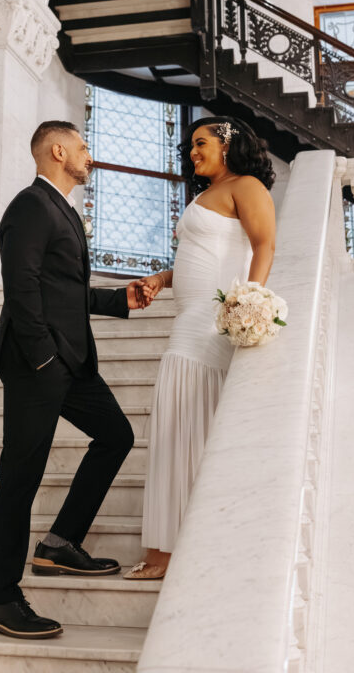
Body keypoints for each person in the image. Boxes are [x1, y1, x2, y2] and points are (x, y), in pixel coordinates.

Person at [0, 120, 154, 639]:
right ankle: (0, 600)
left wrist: (117, 298)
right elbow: (21, 286)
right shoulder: (30, 205)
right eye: (82, 146)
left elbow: (63, 290)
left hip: (70, 363)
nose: (88, 155)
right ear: (59, 151)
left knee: (116, 435)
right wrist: (42, 361)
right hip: (40, 364)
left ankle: (59, 544)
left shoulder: (62, 209)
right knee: (20, 480)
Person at [124, 117, 276, 580]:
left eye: (201, 143)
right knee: (174, 426)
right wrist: (161, 278)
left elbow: (264, 244)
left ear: (228, 144)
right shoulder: (206, 194)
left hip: (213, 326)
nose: (193, 151)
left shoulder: (246, 186)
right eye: (191, 145)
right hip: (188, 319)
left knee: (191, 426)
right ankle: (166, 550)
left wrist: (250, 301)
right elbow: (201, 258)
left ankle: (180, 551)